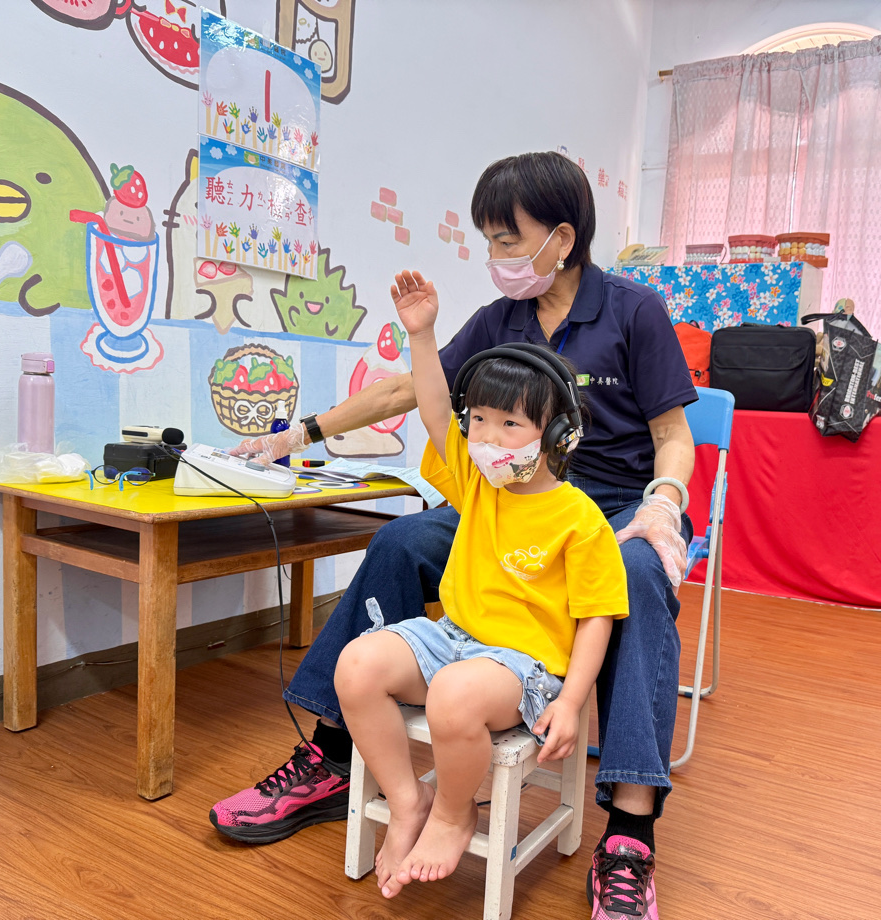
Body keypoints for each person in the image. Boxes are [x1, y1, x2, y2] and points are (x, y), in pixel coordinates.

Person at [210, 151, 696, 920]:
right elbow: (414, 390)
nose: (496, 256)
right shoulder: (501, 320)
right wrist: (297, 434)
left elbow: (673, 434)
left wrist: (664, 502)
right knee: (402, 542)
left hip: (612, 507)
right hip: (503, 499)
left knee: (634, 573)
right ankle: (335, 755)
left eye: (509, 240)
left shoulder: (634, 312)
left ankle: (631, 833)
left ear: (562, 238)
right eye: (490, 240)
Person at [337, 279, 629, 898]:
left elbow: (598, 617)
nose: (488, 438)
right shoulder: (477, 482)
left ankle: (452, 813)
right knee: (356, 665)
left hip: (524, 666)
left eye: (510, 423)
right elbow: (433, 410)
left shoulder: (581, 520)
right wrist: (421, 334)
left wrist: (572, 702)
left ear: (559, 436)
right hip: (453, 640)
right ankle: (409, 801)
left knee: (453, 696)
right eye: (479, 421)